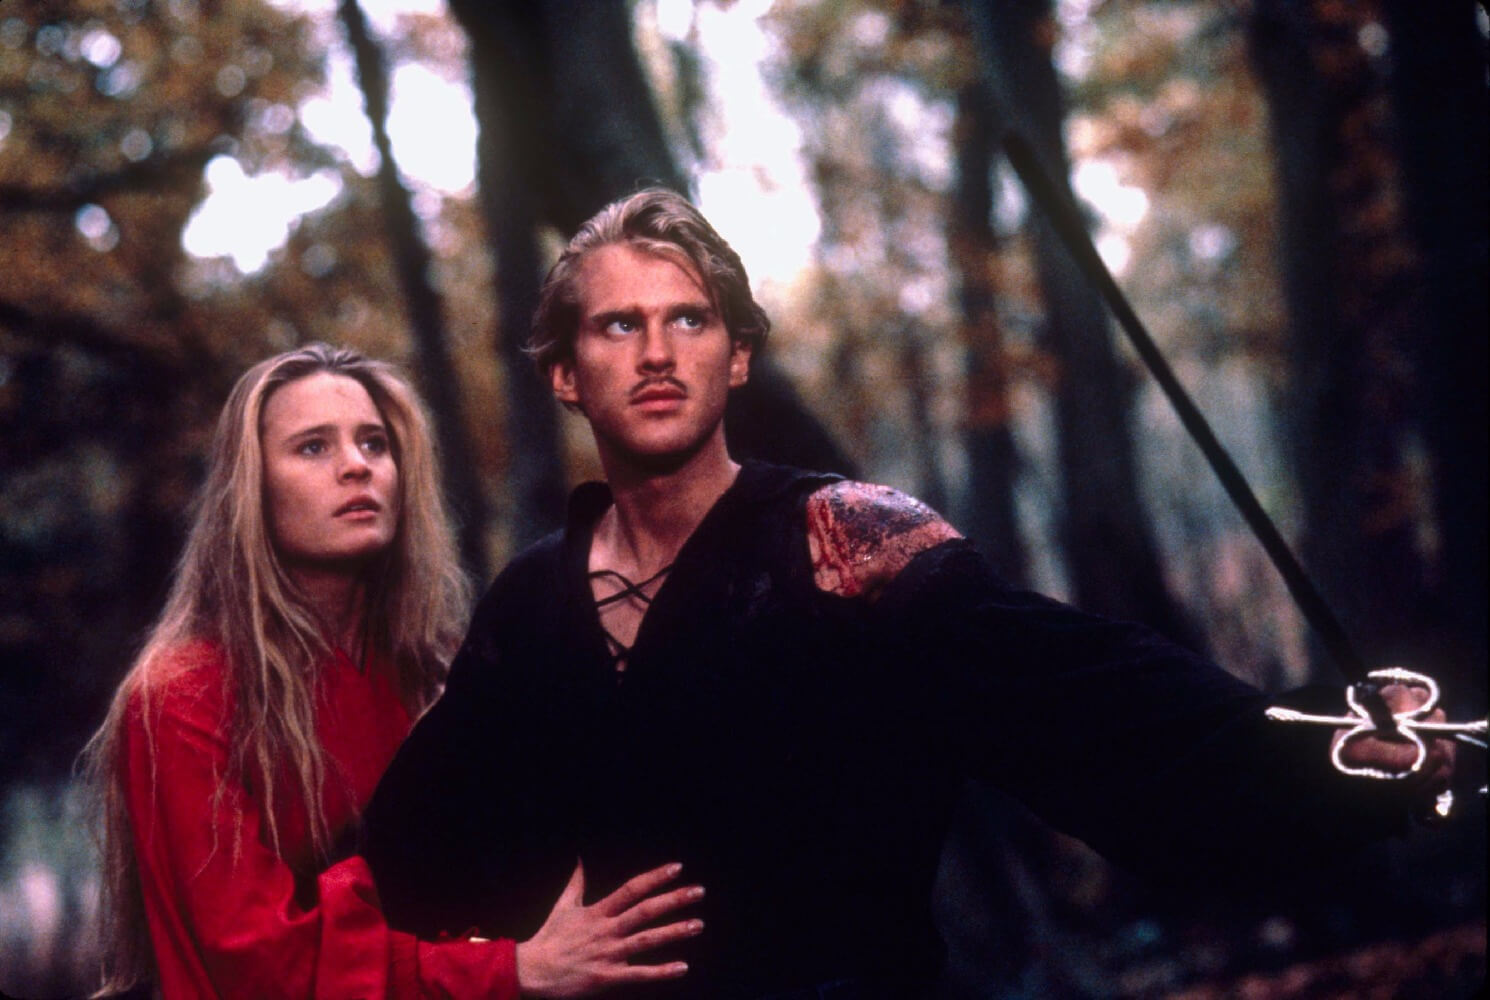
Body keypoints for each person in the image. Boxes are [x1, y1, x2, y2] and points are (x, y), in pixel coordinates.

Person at [362, 190, 1456, 998]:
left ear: (736, 357)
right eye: (617, 325)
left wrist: (1321, 749)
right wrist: (519, 962)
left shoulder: (845, 541)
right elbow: (419, 854)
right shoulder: (530, 602)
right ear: (565, 373)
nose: (657, 352)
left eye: (688, 319)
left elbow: (1082, 696)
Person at [82, 343, 706, 999]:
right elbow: (260, 963)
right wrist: (508, 969)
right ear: (252, 490)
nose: (358, 465)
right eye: (313, 447)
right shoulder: (182, 696)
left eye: (374, 444)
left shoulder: (438, 670)